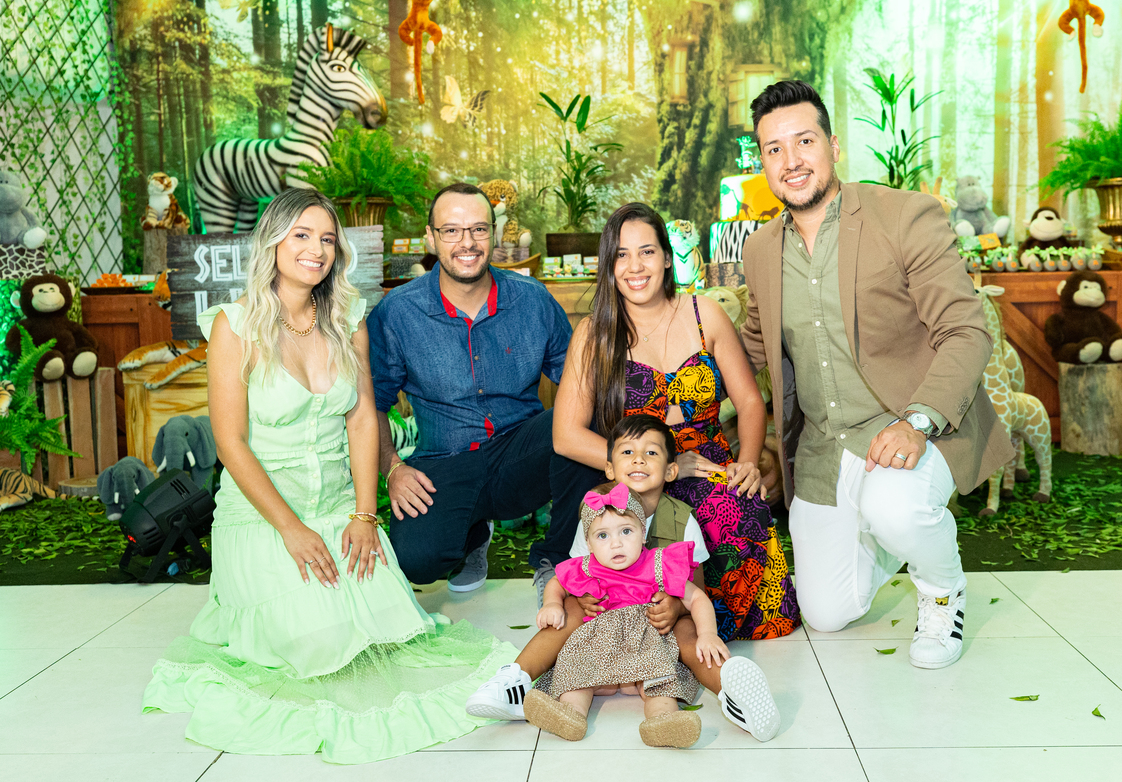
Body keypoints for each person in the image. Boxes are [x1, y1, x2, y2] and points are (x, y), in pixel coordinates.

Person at [142, 188, 516, 763]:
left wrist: (365, 516)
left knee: (390, 629)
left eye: (326, 239)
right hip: (264, 515)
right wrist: (291, 530)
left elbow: (363, 418)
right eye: (301, 236)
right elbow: (230, 444)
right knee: (319, 641)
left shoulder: (347, 320)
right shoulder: (234, 328)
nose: (316, 250)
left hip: (340, 506)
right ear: (272, 241)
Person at [740, 80, 1012, 669]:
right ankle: (887, 529)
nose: (791, 160)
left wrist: (918, 421)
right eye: (774, 148)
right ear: (762, 163)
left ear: (834, 146)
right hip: (824, 447)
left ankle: (942, 590)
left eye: (804, 141)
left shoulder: (904, 215)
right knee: (826, 613)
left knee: (895, 505)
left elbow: (966, 330)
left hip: (909, 425)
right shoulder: (760, 250)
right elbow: (752, 346)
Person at [552, 202, 801, 641]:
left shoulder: (706, 314)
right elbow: (566, 436)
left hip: (709, 463)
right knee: (637, 528)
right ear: (609, 265)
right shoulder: (594, 333)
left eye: (647, 252)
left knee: (735, 503)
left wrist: (746, 462)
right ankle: (673, 632)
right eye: (622, 255)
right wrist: (654, 464)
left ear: (667, 257)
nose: (635, 266)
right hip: (638, 476)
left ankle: (711, 629)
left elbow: (749, 401)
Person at [466, 414, 781, 741]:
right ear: (609, 468)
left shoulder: (681, 520)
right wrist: (574, 599)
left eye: (651, 452)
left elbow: (697, 590)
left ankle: (730, 687)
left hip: (660, 621)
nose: (639, 459)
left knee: (691, 633)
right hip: (603, 619)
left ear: (670, 470)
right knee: (569, 612)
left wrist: (676, 608)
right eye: (628, 452)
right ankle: (514, 681)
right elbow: (575, 573)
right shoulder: (594, 514)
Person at [367, 182, 595, 600]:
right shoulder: (397, 312)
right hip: (445, 460)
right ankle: (472, 534)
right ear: (430, 238)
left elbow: (582, 381)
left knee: (588, 423)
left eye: (478, 229)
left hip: (521, 454)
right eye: (451, 231)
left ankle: (555, 559)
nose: (467, 242)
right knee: (416, 560)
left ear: (493, 233)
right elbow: (372, 404)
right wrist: (392, 468)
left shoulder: (532, 300)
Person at [522, 482, 727, 748]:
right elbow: (557, 582)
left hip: (646, 647)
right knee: (575, 669)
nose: (616, 543)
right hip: (598, 648)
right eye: (602, 536)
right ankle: (570, 714)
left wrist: (708, 634)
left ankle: (663, 720)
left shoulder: (658, 563)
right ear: (588, 543)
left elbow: (697, 597)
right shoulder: (587, 566)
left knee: (660, 682)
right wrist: (551, 604)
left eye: (626, 531)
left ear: (643, 533)